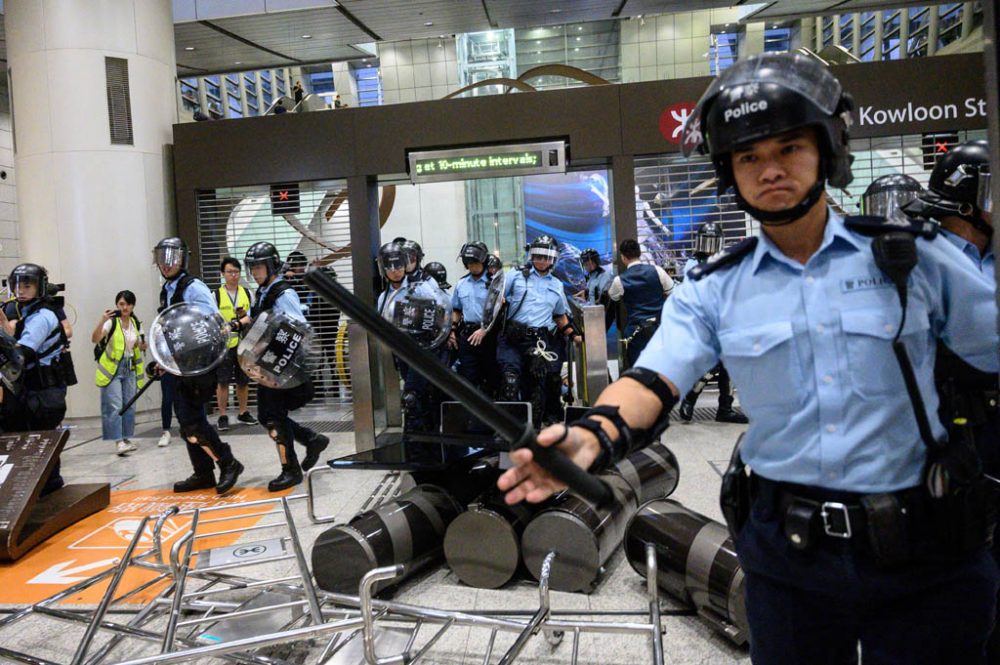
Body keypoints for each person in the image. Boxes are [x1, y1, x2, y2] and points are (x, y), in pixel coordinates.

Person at [499, 53, 999, 665]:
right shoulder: (713, 288)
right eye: (748, 157)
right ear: (729, 170)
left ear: (827, 150)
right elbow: (652, 380)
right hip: (791, 561)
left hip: (927, 553)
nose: (770, 171)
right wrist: (590, 437)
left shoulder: (913, 259)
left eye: (788, 148)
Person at [153, 237, 244, 494]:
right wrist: (163, 360)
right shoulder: (167, 289)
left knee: (193, 420)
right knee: (186, 421)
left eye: (172, 258)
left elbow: (211, 324)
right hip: (180, 366)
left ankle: (228, 463)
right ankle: (203, 472)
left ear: (183, 259)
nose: (166, 264)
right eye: (162, 258)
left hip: (199, 365)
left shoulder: (194, 287)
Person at [235, 242, 328, 491]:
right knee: (268, 416)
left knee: (273, 417)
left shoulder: (283, 293)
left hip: (281, 367)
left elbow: (296, 327)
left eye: (259, 266)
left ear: (272, 265)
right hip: (269, 366)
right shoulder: (265, 292)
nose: (255, 272)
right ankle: (311, 439)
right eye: (251, 267)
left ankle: (291, 470)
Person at [0, 263, 71, 494]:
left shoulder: (43, 315)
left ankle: (50, 488)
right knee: (31, 440)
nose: (21, 290)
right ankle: (40, 487)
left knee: (42, 440)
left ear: (39, 288)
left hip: (44, 389)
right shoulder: (29, 312)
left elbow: (21, 354)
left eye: (27, 286)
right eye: (17, 285)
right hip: (33, 388)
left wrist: (5, 338)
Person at [497, 235, 581, 427]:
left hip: (538, 342)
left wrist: (575, 336)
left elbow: (560, 317)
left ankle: (532, 433)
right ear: (531, 256)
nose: (542, 260)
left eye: (546, 257)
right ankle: (507, 429)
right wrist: (499, 302)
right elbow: (496, 297)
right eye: (538, 256)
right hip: (513, 338)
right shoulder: (515, 276)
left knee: (536, 389)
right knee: (510, 381)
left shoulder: (556, 285)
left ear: (553, 259)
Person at [678, 222, 749, 424]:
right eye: (705, 241)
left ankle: (724, 408)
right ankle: (691, 396)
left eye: (713, 242)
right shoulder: (693, 264)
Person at [92, 290, 146, 456]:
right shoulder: (111, 322)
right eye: (122, 304)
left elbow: (138, 344)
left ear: (133, 306)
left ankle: (126, 438)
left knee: (129, 405)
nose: (125, 307)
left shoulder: (136, 323)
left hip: (130, 368)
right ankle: (118, 441)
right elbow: (95, 339)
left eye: (128, 304)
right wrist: (102, 321)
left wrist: (142, 345)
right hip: (112, 369)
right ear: (117, 305)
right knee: (114, 406)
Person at [607, 238, 673, 368]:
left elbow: (611, 301)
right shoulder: (658, 271)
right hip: (659, 329)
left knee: (638, 372)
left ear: (623, 257)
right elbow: (672, 294)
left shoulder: (619, 281)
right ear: (640, 253)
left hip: (635, 334)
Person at [214, 257, 255, 431]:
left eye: (236, 272)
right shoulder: (215, 295)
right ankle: (222, 415)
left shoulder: (247, 293)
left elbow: (252, 315)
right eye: (230, 272)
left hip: (244, 343)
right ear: (222, 274)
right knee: (222, 381)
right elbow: (212, 318)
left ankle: (243, 412)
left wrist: (243, 318)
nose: (233, 275)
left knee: (243, 380)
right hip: (224, 344)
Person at [449, 242, 491, 393]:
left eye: (475, 262)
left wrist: (485, 329)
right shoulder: (461, 284)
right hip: (467, 335)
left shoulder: (494, 283)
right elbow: (457, 310)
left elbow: (499, 312)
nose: (472, 266)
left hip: (489, 335)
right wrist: (452, 330)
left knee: (490, 377)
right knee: (468, 377)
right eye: (469, 263)